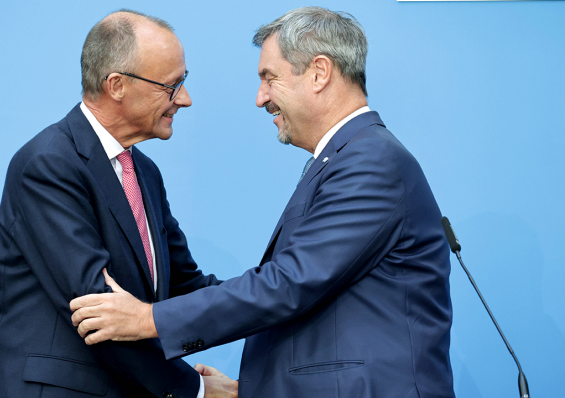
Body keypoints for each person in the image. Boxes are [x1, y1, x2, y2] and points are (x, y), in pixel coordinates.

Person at [69, 7, 455, 398]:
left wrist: (149, 319)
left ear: (320, 73)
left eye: (269, 78)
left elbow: (289, 283)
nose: (260, 98)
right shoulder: (348, 158)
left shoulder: (372, 161)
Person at [0, 9, 238, 398]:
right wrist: (194, 389)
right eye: (172, 85)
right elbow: (100, 314)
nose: (185, 99)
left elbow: (185, 288)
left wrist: (278, 300)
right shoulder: (48, 164)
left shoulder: (144, 172)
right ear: (117, 85)